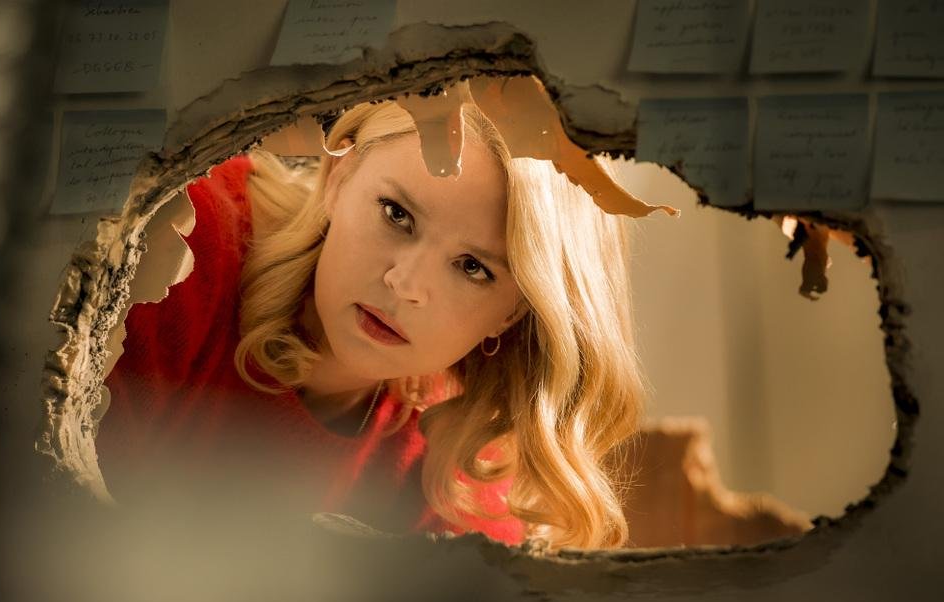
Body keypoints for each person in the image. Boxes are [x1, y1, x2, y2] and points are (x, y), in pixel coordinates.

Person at [96, 97, 645, 551]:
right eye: (397, 214)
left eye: (472, 267)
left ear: (513, 312)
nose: (405, 284)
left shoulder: (458, 465)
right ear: (339, 174)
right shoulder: (180, 252)